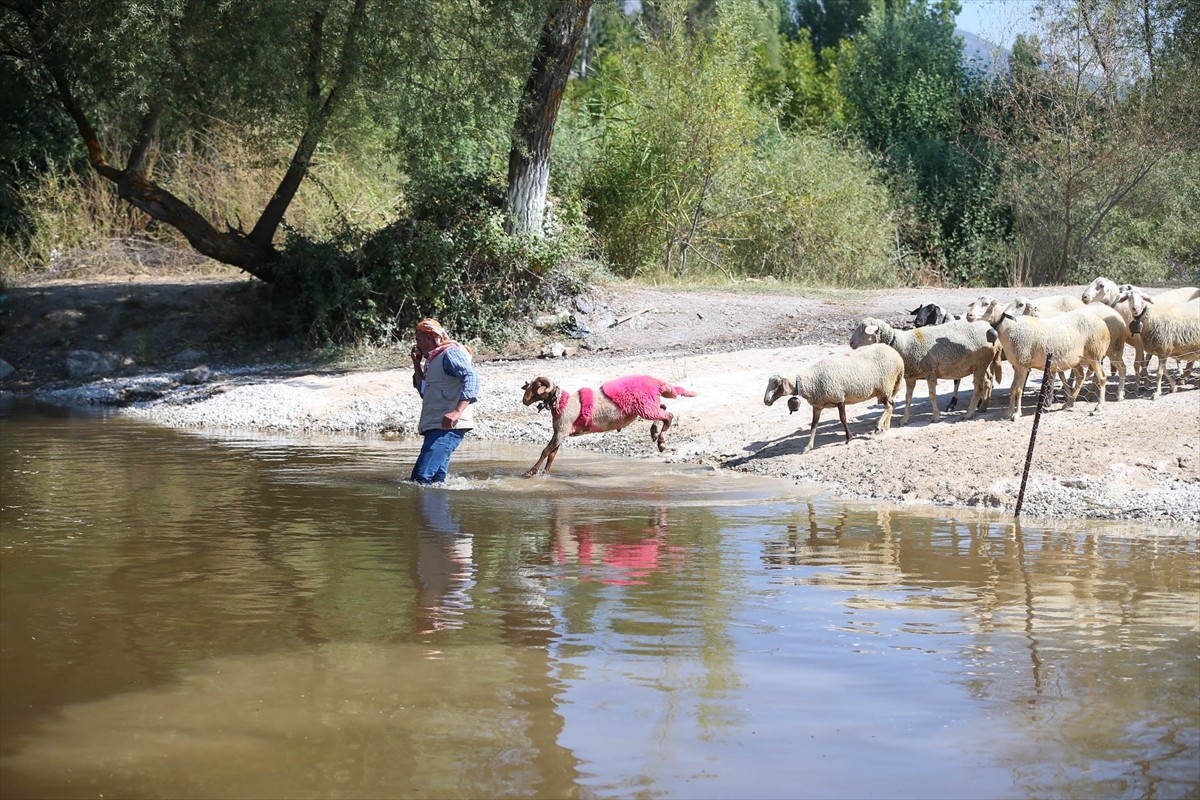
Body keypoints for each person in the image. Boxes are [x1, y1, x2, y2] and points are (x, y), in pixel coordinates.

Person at [408, 318, 479, 484]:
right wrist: (416, 364)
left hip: (447, 426)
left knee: (420, 479)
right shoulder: (433, 361)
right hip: (437, 425)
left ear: (430, 337)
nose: (417, 345)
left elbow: (471, 377)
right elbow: (424, 391)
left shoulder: (450, 353)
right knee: (435, 481)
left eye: (418, 340)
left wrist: (457, 411)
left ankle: (424, 508)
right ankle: (438, 509)